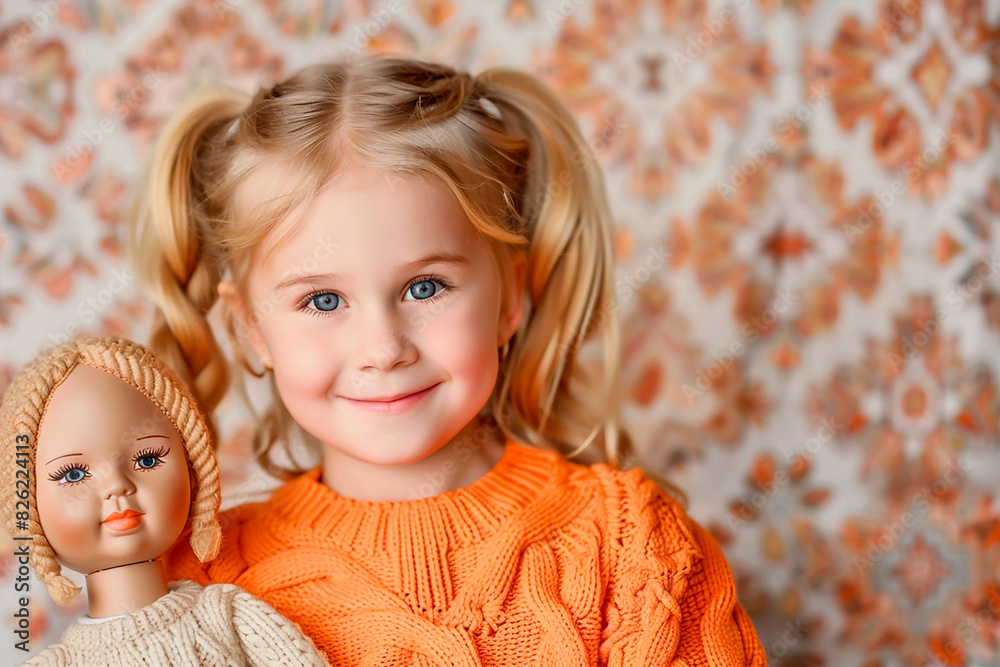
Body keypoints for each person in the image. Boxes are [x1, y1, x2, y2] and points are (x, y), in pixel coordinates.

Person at [129, 53, 766, 665]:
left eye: (424, 287)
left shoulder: (633, 545)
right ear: (250, 328)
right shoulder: (200, 581)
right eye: (323, 300)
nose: (382, 349)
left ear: (511, 297)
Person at [0, 336, 329, 666]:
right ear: (25, 507)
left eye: (146, 460)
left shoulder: (227, 616)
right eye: (73, 475)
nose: (117, 487)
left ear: (193, 466)